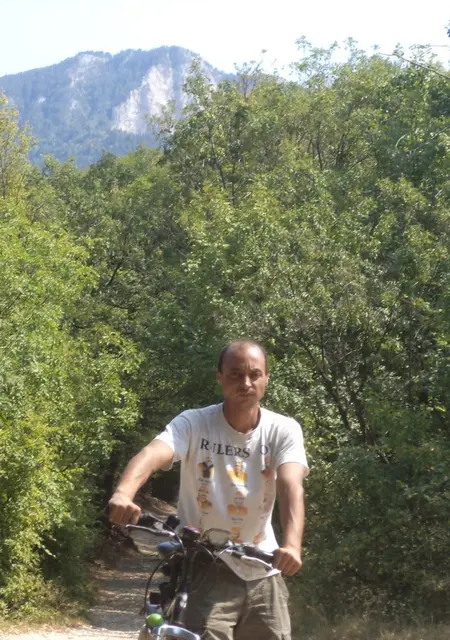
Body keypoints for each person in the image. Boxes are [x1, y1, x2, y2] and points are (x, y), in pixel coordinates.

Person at [108, 339, 309, 640]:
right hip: (205, 562)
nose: (246, 383)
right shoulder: (194, 423)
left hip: (263, 565)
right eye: (235, 374)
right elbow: (152, 453)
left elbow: (290, 484)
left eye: (254, 374)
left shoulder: (283, 430)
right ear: (219, 377)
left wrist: (292, 545)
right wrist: (123, 493)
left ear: (267, 378)